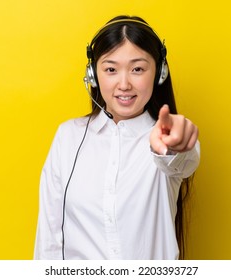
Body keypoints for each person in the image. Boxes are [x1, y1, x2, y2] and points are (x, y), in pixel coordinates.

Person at [34, 15, 200, 260]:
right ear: (92, 74)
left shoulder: (166, 138)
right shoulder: (68, 137)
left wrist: (176, 145)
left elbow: (182, 160)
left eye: (137, 69)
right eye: (111, 69)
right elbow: (48, 240)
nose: (124, 84)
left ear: (159, 73)